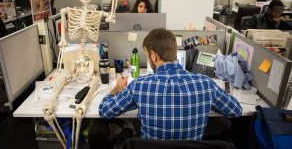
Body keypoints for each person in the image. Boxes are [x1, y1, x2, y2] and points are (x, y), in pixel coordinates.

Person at [98, 28, 242, 141]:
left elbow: (104, 111)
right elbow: (236, 110)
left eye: (147, 56)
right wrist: (209, 99)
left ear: (154, 56)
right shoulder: (205, 83)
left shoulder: (139, 86)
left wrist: (117, 89)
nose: (148, 59)